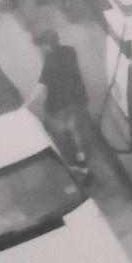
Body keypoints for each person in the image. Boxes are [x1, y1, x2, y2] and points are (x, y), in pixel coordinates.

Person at [29, 29, 93, 183]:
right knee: (77, 132)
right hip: (77, 99)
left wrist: (26, 105)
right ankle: (85, 167)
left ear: (46, 46)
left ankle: (74, 166)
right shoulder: (71, 51)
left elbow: (42, 84)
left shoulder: (50, 59)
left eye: (41, 47)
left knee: (58, 134)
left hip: (58, 105)